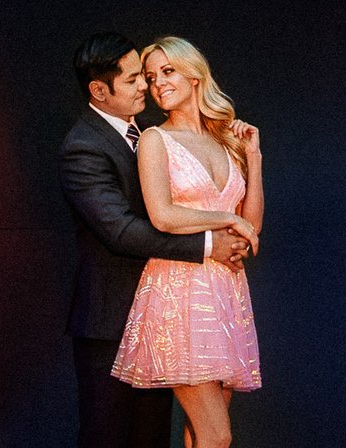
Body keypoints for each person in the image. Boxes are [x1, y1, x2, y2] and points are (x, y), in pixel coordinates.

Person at [62, 32, 255, 448]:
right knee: (108, 436)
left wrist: (248, 156)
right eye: (135, 79)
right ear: (99, 90)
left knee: (152, 437)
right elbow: (121, 229)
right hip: (111, 318)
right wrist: (209, 244)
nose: (146, 87)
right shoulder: (84, 147)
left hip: (178, 303)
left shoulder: (152, 132)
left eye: (146, 76)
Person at [113, 37, 264, 448]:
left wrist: (253, 157)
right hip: (178, 291)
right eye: (150, 76)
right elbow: (163, 215)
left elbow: (251, 230)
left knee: (200, 435)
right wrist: (226, 218)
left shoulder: (225, 141)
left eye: (167, 71)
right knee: (217, 436)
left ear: (194, 74)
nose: (157, 83)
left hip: (226, 292)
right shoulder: (154, 140)